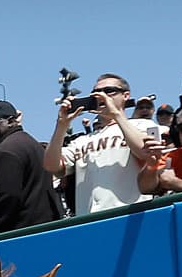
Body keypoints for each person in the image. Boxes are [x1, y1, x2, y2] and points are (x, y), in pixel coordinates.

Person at [43, 73, 156, 216]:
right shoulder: (82, 140)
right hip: (90, 221)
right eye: (95, 93)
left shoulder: (144, 125)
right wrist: (61, 125)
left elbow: (146, 153)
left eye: (109, 91)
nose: (101, 96)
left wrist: (116, 114)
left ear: (126, 95)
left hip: (133, 215)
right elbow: (51, 166)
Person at [0, 101, 62, 237]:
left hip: (22, 235)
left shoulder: (8, 150)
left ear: (11, 121)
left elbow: (6, 199)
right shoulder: (29, 142)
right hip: (40, 230)